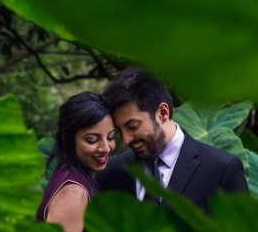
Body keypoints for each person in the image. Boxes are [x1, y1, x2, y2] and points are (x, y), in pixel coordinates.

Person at [96, 67, 248, 212]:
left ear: (162, 112)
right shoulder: (110, 173)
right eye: (119, 131)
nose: (126, 139)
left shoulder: (222, 169)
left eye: (133, 126)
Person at [36, 92, 116, 232]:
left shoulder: (74, 176)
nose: (105, 148)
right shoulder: (74, 192)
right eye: (92, 139)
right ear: (67, 138)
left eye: (110, 137)